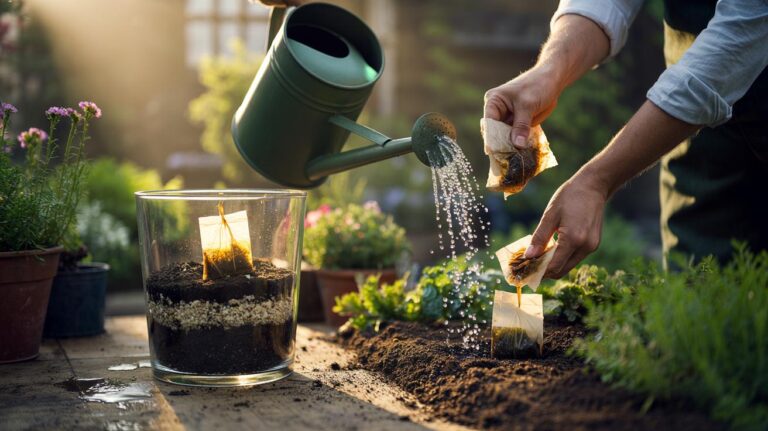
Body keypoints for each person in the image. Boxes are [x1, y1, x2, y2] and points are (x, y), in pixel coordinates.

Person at [484, 0, 768, 277]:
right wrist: (548, 71)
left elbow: (739, 38)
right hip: (693, 135)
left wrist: (598, 180)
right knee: (697, 290)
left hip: (715, 92)